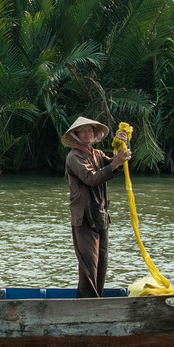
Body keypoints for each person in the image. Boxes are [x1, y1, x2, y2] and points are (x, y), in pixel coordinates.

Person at [62, 116, 131, 298]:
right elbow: (91, 178)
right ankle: (88, 305)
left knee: (102, 263)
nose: (87, 134)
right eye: (83, 131)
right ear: (76, 135)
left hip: (100, 215)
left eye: (90, 130)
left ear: (95, 134)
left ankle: (93, 301)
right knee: (88, 265)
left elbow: (114, 164)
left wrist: (121, 147)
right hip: (84, 218)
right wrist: (115, 163)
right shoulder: (74, 157)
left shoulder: (98, 154)